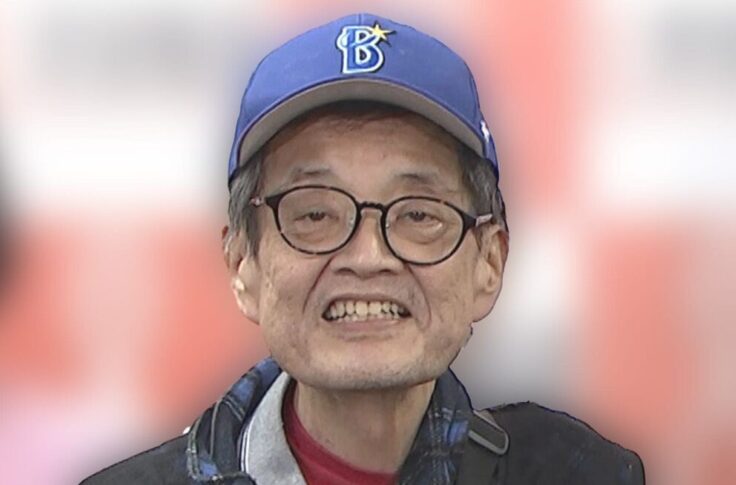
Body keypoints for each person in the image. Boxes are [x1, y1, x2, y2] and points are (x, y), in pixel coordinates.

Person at [83, 13, 645, 485]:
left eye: (418, 214)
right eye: (315, 215)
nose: (368, 256)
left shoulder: (579, 473)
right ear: (242, 264)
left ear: (490, 262)